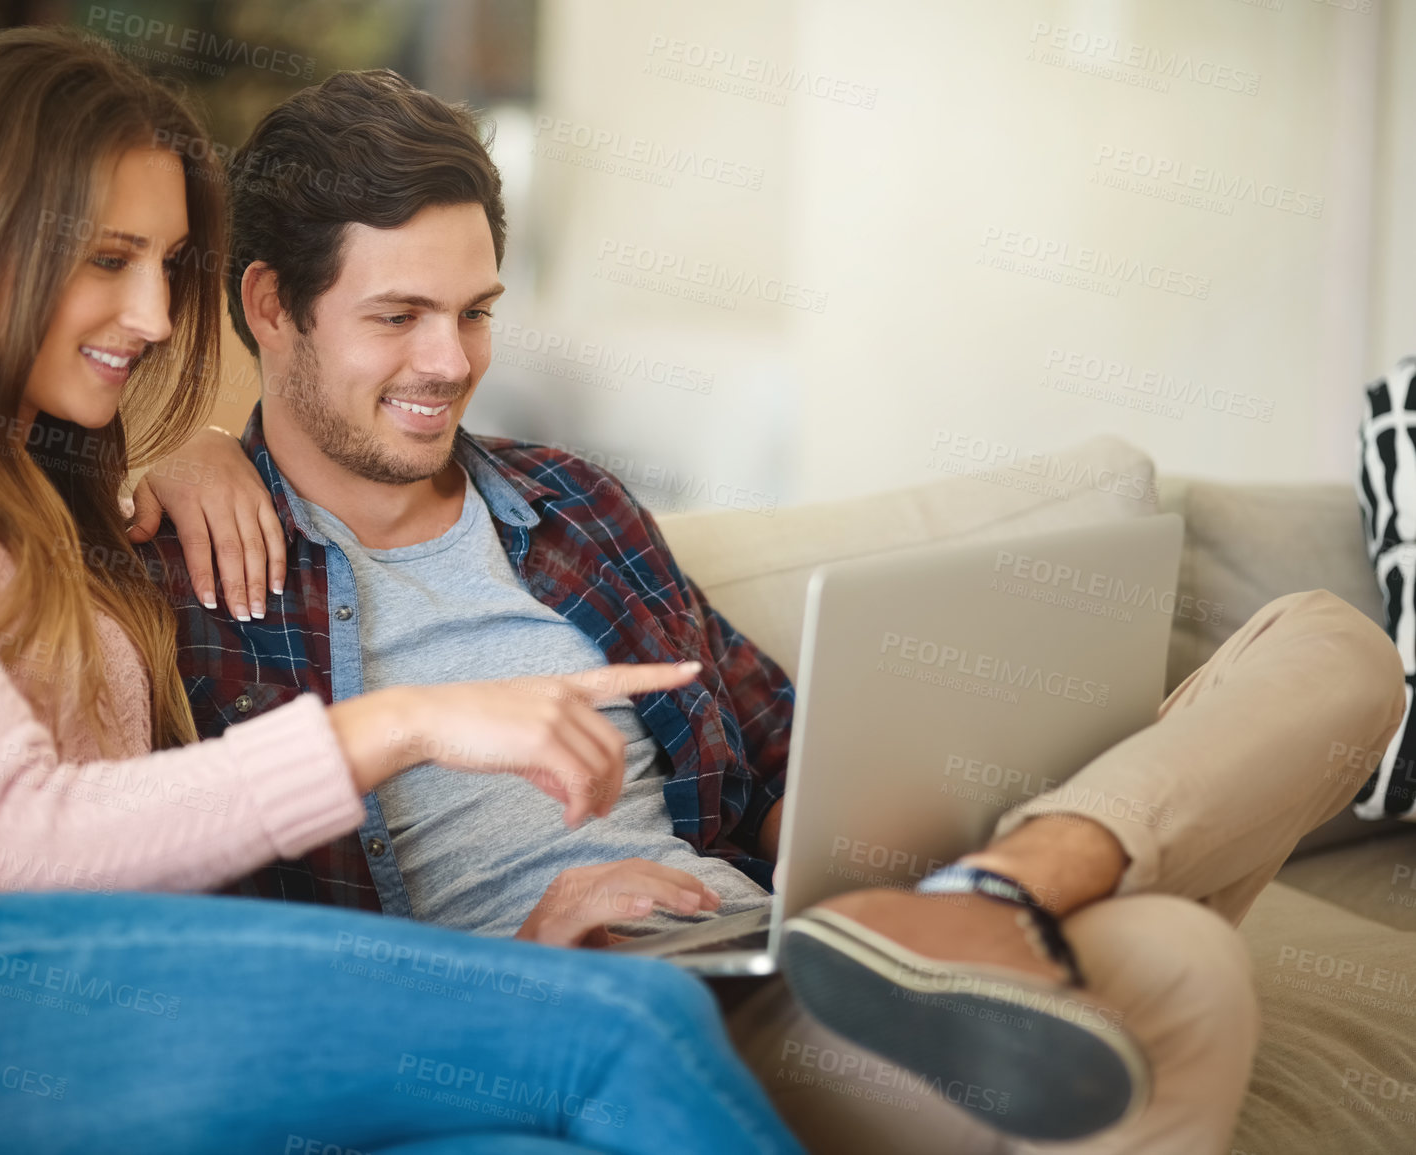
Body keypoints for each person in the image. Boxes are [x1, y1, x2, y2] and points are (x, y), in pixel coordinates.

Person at [134, 67, 1409, 1154]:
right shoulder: (196, 577)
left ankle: (995, 889)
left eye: (474, 314)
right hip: (620, 1013)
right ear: (266, 306)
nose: (450, 363)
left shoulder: (575, 510)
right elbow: (206, 967)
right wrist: (520, 971)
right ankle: (999, 904)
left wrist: (886, 816)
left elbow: (777, 758)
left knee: (1336, 652)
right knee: (1183, 973)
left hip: (776, 942)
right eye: (397, 317)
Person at [0, 27, 806, 1155]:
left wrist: (188, 457)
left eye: (168, 267)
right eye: (108, 259)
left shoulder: (73, 523)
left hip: (86, 1001)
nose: (159, 318)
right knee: (625, 1027)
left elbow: (133, 852)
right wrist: (402, 723)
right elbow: (7, 834)